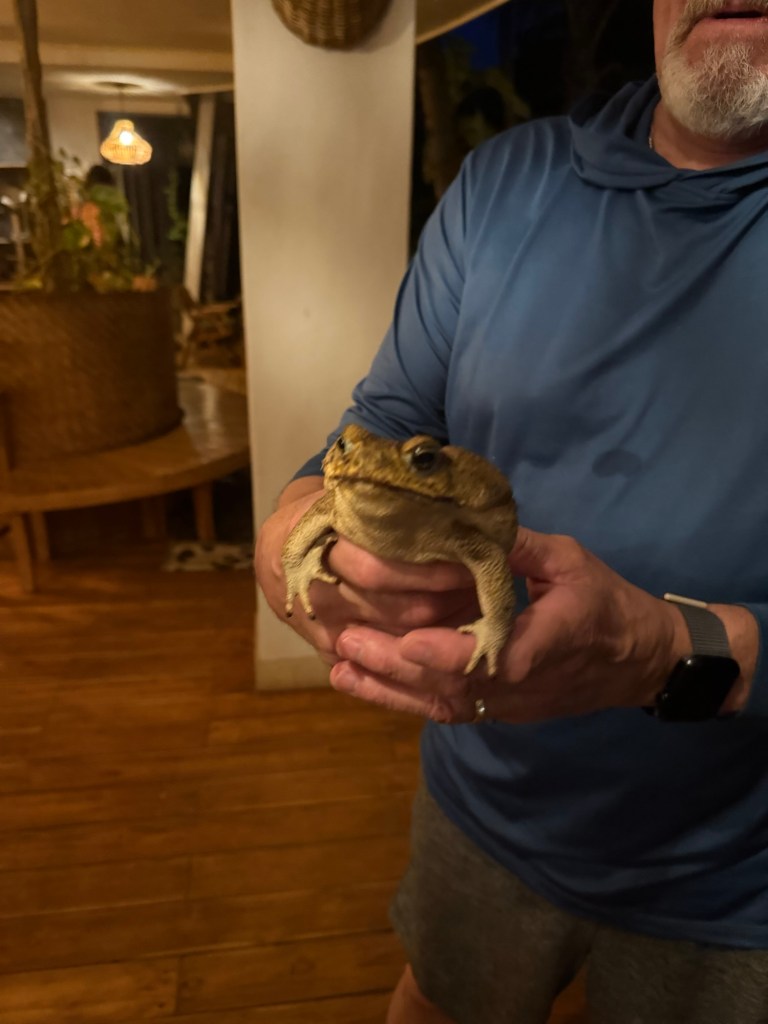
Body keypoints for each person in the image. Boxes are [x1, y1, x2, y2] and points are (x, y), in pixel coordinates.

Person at [255, 0, 768, 1020]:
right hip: (480, 793)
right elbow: (383, 424)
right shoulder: (504, 179)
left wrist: (668, 652)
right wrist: (291, 527)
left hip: (737, 874)